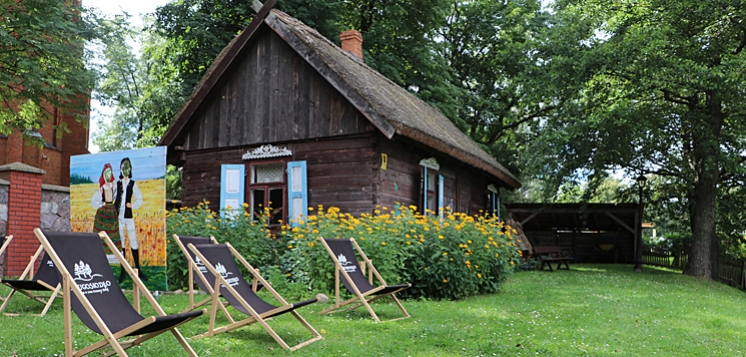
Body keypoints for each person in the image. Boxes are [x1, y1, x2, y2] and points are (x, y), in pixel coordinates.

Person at [115, 157, 146, 282]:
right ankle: (123, 270)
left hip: (128, 217)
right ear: (120, 169)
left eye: (127, 167)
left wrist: (132, 205)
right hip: (119, 217)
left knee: (133, 240)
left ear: (130, 169)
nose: (124, 170)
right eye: (123, 167)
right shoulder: (117, 184)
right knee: (121, 242)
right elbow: (111, 197)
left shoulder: (133, 184)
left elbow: (140, 198)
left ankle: (137, 268)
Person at [90, 163, 120, 252]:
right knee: (102, 230)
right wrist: (101, 204)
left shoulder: (114, 186)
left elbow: (116, 196)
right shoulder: (101, 189)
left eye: (109, 173)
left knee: (112, 231)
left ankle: (113, 251)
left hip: (111, 210)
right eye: (106, 173)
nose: (108, 175)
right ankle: (100, 250)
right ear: (103, 175)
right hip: (103, 212)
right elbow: (93, 201)